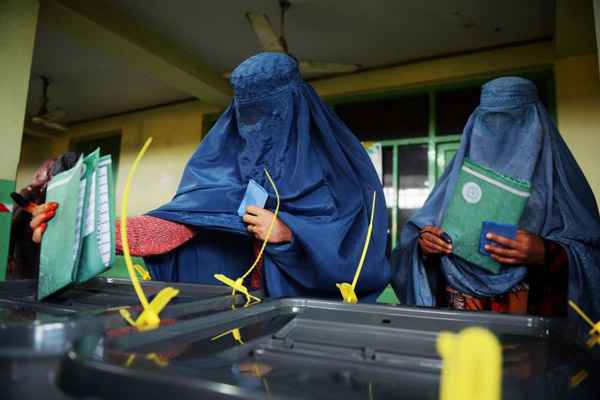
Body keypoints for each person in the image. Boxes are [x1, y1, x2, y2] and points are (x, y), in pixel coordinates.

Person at [30, 53, 390, 301]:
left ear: (297, 105)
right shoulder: (219, 164)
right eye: (248, 114)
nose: (257, 127)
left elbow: (360, 259)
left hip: (310, 334)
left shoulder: (344, 175)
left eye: (268, 112)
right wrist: (82, 230)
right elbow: (175, 226)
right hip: (232, 319)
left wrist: (289, 237)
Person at [391, 77, 600, 321]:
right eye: (489, 123)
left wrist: (546, 252)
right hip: (458, 331)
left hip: (533, 339)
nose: (500, 132)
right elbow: (410, 248)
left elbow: (592, 255)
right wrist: (426, 245)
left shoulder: (560, 187)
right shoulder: (453, 183)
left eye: (515, 121)